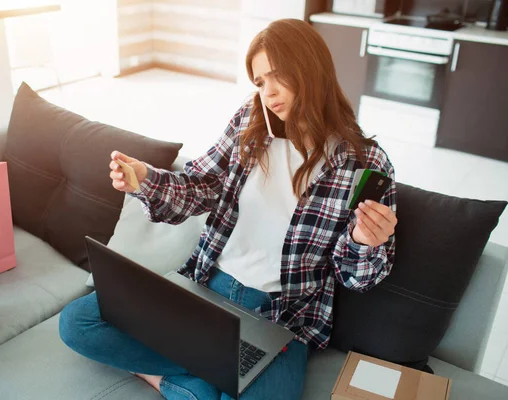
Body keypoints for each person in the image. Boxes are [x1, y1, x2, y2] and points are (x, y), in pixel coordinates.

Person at [59, 18, 397, 400]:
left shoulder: (364, 163)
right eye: (259, 82)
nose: (268, 93)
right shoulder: (249, 123)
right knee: (78, 321)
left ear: (311, 67)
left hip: (279, 317)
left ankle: (185, 379)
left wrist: (365, 242)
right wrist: (146, 179)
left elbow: (357, 279)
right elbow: (200, 186)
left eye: (277, 76)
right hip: (207, 290)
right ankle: (202, 375)